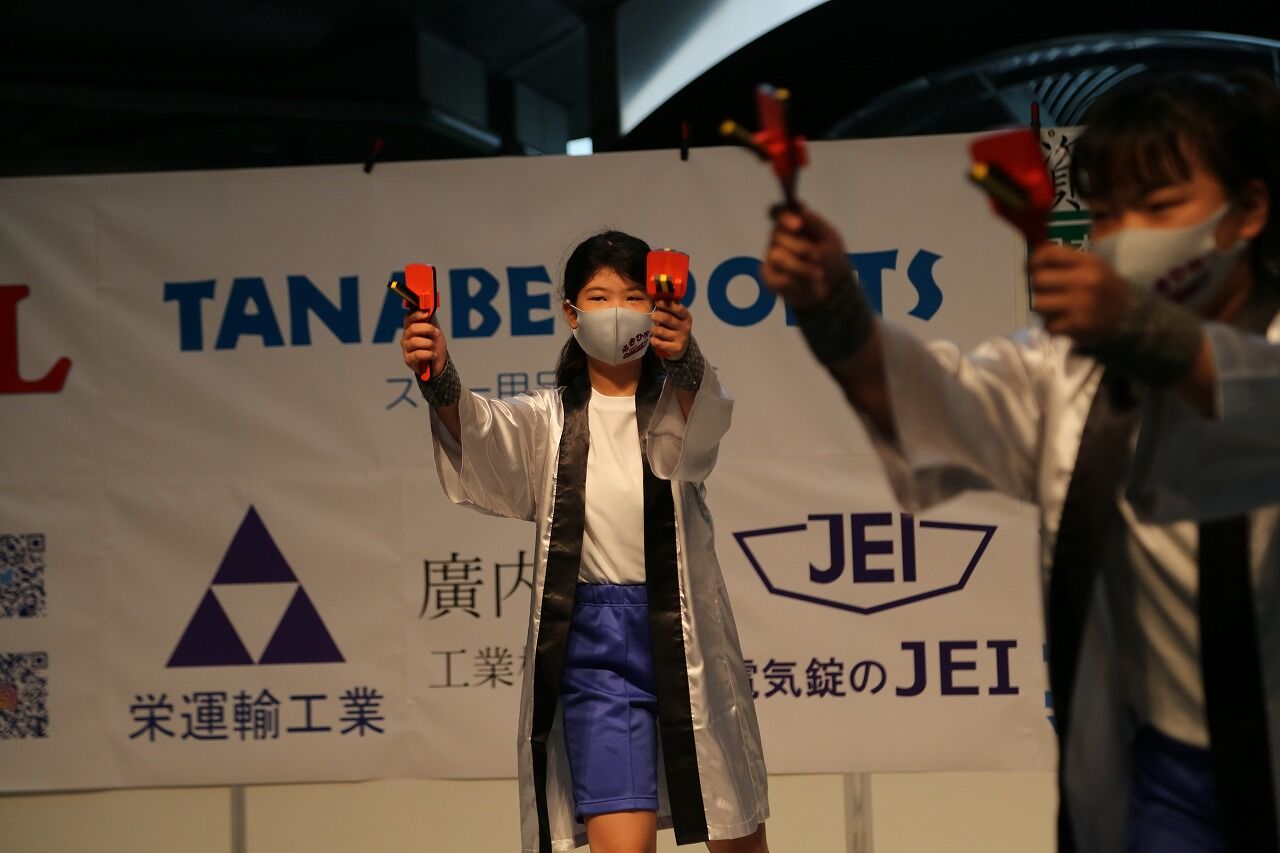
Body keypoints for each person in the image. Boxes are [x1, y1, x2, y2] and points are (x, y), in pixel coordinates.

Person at [761, 70, 1280, 852]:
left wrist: (1145, 330)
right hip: (1166, 774)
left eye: (1160, 205)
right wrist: (834, 309)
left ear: (1249, 209)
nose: (1128, 234)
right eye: (1106, 213)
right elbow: (934, 403)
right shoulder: (1073, 371)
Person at [401, 230, 770, 853]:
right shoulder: (546, 420)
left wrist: (685, 357)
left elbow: (702, 429)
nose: (616, 311)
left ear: (656, 308)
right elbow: (481, 431)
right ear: (571, 313)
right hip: (594, 647)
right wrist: (438, 377)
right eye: (599, 298)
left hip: (683, 635)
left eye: (632, 296)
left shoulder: (677, 405)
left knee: (734, 836)